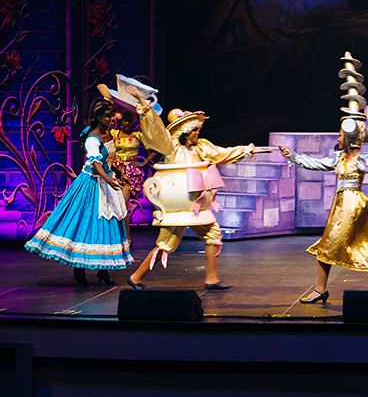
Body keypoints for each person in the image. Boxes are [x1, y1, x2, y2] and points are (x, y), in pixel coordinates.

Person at [127, 93, 260, 291]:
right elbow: (156, 132)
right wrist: (144, 105)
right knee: (165, 244)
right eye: (194, 130)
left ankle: (212, 279)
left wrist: (245, 150)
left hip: (197, 205)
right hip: (178, 205)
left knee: (214, 234)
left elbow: (222, 154)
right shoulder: (172, 147)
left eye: (198, 129)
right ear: (185, 131)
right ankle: (136, 277)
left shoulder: (201, 147)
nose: (198, 133)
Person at [279, 123, 368, 302]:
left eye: (340, 135)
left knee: (327, 245)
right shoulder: (338, 158)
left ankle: (320, 290)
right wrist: (293, 156)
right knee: (358, 245)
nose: (338, 138)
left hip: (352, 205)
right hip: (341, 205)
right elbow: (318, 164)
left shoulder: (362, 159)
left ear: (349, 140)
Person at [25, 99, 132, 286]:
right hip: (91, 184)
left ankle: (103, 270)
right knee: (86, 224)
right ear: (99, 117)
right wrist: (108, 179)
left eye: (112, 116)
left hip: (107, 182)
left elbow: (107, 161)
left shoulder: (107, 134)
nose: (112, 119)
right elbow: (95, 163)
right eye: (108, 116)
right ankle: (79, 269)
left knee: (108, 225)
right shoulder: (92, 138)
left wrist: (118, 173)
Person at [108, 109, 157, 245]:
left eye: (130, 120)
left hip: (130, 174)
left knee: (123, 205)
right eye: (125, 120)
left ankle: (127, 239)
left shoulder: (137, 135)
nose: (127, 123)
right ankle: (115, 237)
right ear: (120, 121)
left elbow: (155, 149)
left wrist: (144, 162)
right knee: (113, 205)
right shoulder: (113, 133)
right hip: (115, 172)